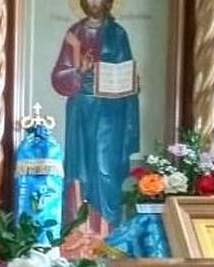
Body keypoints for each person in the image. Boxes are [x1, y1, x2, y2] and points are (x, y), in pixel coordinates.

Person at [51, 0, 139, 236]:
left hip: (110, 112)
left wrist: (130, 81)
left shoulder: (118, 34)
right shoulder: (75, 33)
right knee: (80, 166)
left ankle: (108, 230)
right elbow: (59, 75)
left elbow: (125, 69)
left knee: (105, 166)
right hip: (81, 107)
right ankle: (79, 229)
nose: (93, 3)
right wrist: (79, 70)